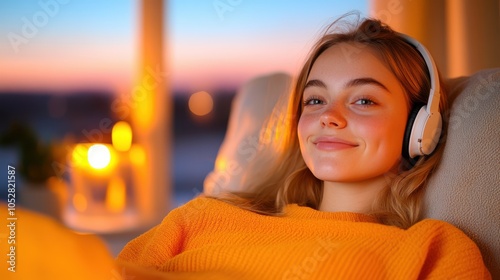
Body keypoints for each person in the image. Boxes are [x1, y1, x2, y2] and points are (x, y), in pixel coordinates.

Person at [117, 15, 491, 279]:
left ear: (419, 128)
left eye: (363, 100)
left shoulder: (435, 251)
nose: (329, 116)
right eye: (315, 101)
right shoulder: (200, 218)